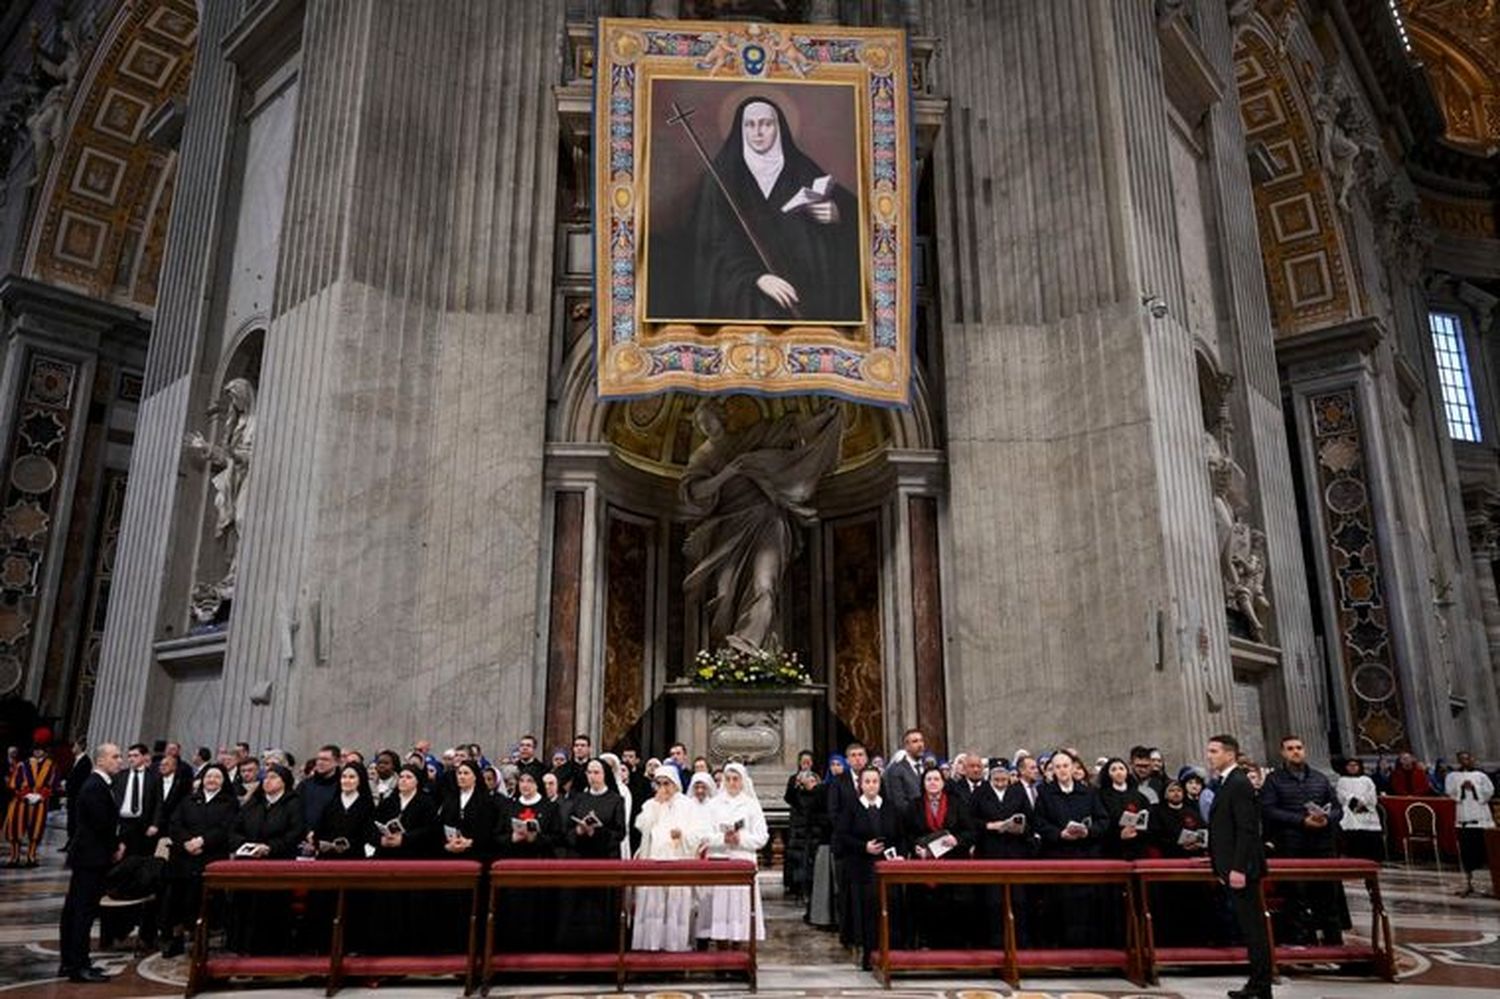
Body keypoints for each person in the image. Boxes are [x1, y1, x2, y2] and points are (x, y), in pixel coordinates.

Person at [662, 95, 861, 323]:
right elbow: (710, 248)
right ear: (741, 129)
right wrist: (756, 278)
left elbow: (858, 216)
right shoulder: (720, 178)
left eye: (766, 124)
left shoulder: (802, 169)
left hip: (805, 298)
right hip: (742, 298)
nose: (757, 132)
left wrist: (836, 213)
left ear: (779, 127)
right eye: (750, 124)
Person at [1259, 735, 1344, 946]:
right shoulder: (1274, 780)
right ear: (1283, 753)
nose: (1295, 752)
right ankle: (1301, 942)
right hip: (1292, 844)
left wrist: (1327, 819)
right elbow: (1268, 810)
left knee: (1328, 895)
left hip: (1322, 843)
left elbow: (1337, 808)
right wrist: (1301, 821)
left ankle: (1334, 943)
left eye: (1298, 747)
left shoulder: (1320, 778)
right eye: (1290, 748)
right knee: (1296, 896)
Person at [1207, 733, 1272, 999]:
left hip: (1241, 868)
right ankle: (1257, 984)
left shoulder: (1239, 783)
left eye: (1214, 751)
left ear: (1230, 754)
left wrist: (1238, 868)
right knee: (1249, 927)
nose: (1209, 756)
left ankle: (1261, 985)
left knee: (1254, 928)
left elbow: (1247, 830)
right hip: (1232, 865)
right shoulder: (1228, 782)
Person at [1034, 748, 1110, 947]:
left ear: (1073, 767)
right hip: (1058, 855)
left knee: (1086, 905)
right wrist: (1059, 834)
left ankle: (1088, 948)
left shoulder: (1089, 792)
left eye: (1065, 766)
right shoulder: (1045, 793)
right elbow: (1039, 822)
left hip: (1085, 855)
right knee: (1060, 904)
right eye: (1057, 767)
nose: (1062, 770)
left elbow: (1103, 820)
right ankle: (1062, 948)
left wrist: (1088, 831)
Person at [159, 763, 237, 957]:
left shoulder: (229, 803)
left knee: (203, 900)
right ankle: (176, 939)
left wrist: (202, 841)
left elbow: (226, 828)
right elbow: (175, 824)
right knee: (177, 898)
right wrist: (186, 842)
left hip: (210, 858)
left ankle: (200, 941)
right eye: (209, 776)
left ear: (223, 781)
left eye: (217, 777)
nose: (212, 780)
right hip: (183, 857)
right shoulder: (188, 800)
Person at [58, 743, 121, 982]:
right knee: (82, 912)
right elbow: (101, 823)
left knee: (75, 910)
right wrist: (115, 845)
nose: (120, 760)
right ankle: (78, 965)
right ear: (101, 761)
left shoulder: (99, 785)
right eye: (115, 756)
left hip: (89, 856)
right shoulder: (95, 786)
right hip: (91, 857)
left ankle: (71, 961)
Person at [226, 763, 305, 954]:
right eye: (266, 777)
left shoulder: (293, 803)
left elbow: (295, 833)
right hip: (248, 864)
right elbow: (234, 829)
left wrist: (270, 847)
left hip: (276, 864)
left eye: (273, 777)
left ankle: (269, 951)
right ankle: (241, 948)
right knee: (244, 907)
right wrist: (243, 844)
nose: (267, 781)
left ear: (284, 782)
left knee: (269, 909)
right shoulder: (254, 803)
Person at [834, 765, 904, 971]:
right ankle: (867, 954)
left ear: (880, 784)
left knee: (889, 909)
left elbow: (900, 836)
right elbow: (842, 837)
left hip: (887, 870)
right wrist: (864, 847)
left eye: (875, 781)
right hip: (861, 869)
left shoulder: (890, 807)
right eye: (867, 781)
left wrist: (899, 854)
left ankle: (891, 953)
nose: (871, 785)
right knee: (865, 912)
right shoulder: (851, 808)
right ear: (860, 784)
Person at [632, 768, 707, 952]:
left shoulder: (687, 805)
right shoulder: (651, 804)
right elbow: (640, 825)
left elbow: (699, 833)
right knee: (654, 907)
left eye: (667, 784)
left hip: (678, 860)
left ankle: (676, 948)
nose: (663, 788)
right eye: (659, 784)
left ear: (675, 784)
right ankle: (651, 947)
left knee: (675, 908)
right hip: (654, 861)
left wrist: (683, 835)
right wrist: (655, 807)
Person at [903, 766, 974, 948]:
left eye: (936, 779)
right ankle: (926, 942)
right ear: (923, 783)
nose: (932, 782)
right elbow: (907, 834)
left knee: (952, 906)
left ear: (943, 783)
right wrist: (915, 847)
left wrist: (956, 839)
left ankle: (952, 945)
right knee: (925, 905)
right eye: (928, 779)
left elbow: (970, 832)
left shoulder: (957, 803)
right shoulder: (914, 805)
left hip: (952, 863)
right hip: (924, 864)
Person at [561, 759, 626, 951]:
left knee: (601, 909)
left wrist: (595, 833)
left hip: (604, 860)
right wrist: (579, 832)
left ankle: (604, 950)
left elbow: (620, 833)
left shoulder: (616, 800)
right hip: (581, 859)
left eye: (597, 772)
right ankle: (577, 950)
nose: (592, 776)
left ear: (605, 774)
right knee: (577, 907)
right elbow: (567, 831)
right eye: (589, 772)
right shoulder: (578, 799)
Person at [494, 770, 562, 951]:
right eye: (522, 781)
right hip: (514, 867)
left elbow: (558, 837)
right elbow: (497, 836)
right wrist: (512, 838)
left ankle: (540, 952)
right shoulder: (509, 806)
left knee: (539, 912)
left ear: (537, 783)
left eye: (530, 780)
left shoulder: (550, 807)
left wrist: (536, 839)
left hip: (540, 865)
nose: (525, 785)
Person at [702, 763, 769, 944]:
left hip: (743, 861)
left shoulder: (751, 805)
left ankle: (739, 951)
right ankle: (722, 954)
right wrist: (723, 838)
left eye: (736, 779)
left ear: (742, 781)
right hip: (720, 860)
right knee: (721, 908)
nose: (732, 783)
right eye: (728, 779)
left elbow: (762, 837)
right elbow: (704, 836)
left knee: (741, 908)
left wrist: (741, 839)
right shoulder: (713, 805)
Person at [1446, 751, 1495, 896]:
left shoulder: (1481, 776)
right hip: (1464, 819)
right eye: (1462, 759)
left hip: (1481, 818)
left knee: (1486, 853)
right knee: (1467, 854)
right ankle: (1469, 883)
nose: (1465, 761)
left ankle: (1492, 884)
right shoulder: (1453, 776)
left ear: (1472, 759)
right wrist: (1461, 788)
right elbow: (1450, 792)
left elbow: (1489, 791)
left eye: (1467, 758)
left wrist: (1474, 788)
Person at [4, 736, 55, 867]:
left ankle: (31, 857)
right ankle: (14, 857)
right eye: (35, 750)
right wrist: (25, 795)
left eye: (40, 750)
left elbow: (52, 784)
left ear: (45, 751)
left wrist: (40, 796)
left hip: (40, 803)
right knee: (15, 830)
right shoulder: (23, 764)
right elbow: (14, 783)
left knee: (35, 831)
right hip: (21, 802)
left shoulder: (51, 766)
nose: (37, 752)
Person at [1097, 757, 1153, 860]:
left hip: (1138, 847)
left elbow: (1149, 821)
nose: (1118, 772)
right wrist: (1119, 834)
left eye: (1121, 768)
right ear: (1108, 774)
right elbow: (1102, 822)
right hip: (1113, 849)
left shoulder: (1140, 797)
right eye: (1114, 769)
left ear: (1127, 772)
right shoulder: (1101, 796)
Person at [112, 743, 161, 858]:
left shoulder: (154, 777)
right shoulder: (120, 775)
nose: (131, 759)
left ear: (145, 757)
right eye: (129, 756)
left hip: (141, 824)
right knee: (118, 855)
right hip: (121, 823)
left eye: (135, 755)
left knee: (137, 857)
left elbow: (158, 803)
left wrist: (155, 824)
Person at [1334, 757, 1383, 862]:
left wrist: (1363, 802)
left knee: (1369, 836)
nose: (1352, 768)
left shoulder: (1367, 780)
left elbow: (1372, 794)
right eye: (1350, 766)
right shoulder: (1342, 780)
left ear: (1359, 767)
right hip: (1350, 813)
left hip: (1367, 812)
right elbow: (1342, 795)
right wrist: (1355, 804)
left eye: (1355, 765)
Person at [884, 729, 927, 815]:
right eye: (915, 741)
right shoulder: (896, 769)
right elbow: (898, 803)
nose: (920, 745)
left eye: (921, 741)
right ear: (906, 746)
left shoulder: (927, 767)